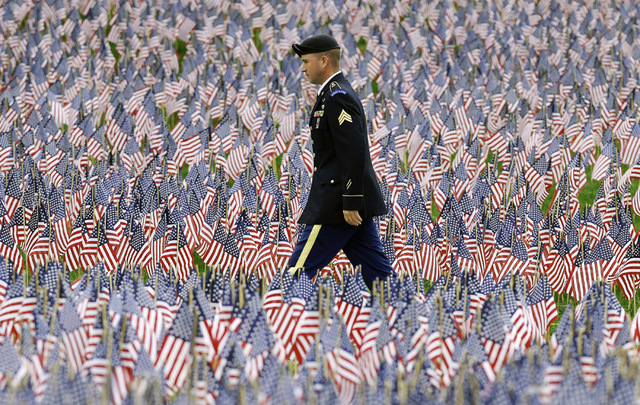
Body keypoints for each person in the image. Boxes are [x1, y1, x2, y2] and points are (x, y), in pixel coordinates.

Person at [288, 34, 393, 290]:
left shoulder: (338, 96)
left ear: (324, 61)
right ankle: (411, 318)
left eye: (306, 62)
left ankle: (272, 319)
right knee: (380, 279)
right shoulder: (332, 94)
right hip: (346, 203)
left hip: (338, 205)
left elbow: (353, 150)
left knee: (295, 273)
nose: (302, 69)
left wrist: (351, 201)